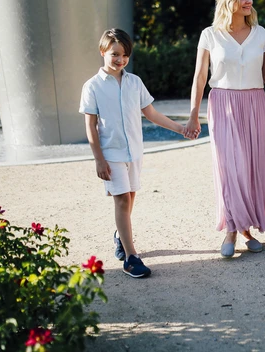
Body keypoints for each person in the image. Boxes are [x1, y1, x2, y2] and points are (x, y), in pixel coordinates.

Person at [186, 0, 265, 258]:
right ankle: (231, 229)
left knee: (252, 168)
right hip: (223, 104)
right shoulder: (210, 35)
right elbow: (200, 77)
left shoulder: (260, 34)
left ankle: (246, 229)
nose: (248, 1)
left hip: (255, 104)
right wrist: (193, 115)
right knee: (230, 168)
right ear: (227, 0)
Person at [79, 28, 187, 278]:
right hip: (111, 154)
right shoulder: (92, 86)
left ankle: (120, 235)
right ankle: (131, 258)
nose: (121, 59)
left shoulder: (134, 82)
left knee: (129, 198)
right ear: (103, 52)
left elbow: (152, 114)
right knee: (122, 201)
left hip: (135, 153)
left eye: (125, 55)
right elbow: (90, 126)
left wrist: (180, 128)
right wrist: (98, 160)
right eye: (115, 54)